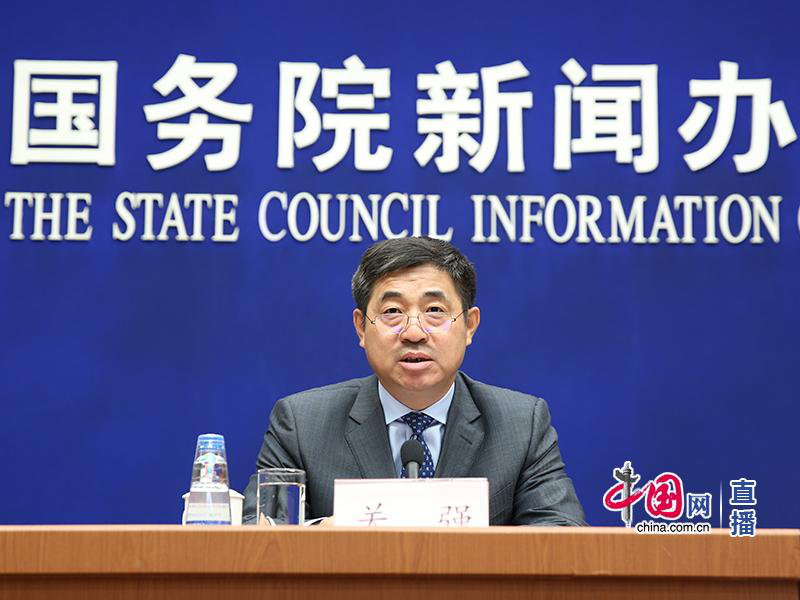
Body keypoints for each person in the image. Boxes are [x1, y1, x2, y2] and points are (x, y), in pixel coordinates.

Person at [243, 237, 585, 525]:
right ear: (361, 328)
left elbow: (562, 541)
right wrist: (325, 535)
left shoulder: (521, 425)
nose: (414, 332)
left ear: (469, 325)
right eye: (392, 312)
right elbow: (256, 541)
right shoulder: (302, 425)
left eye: (435, 310)